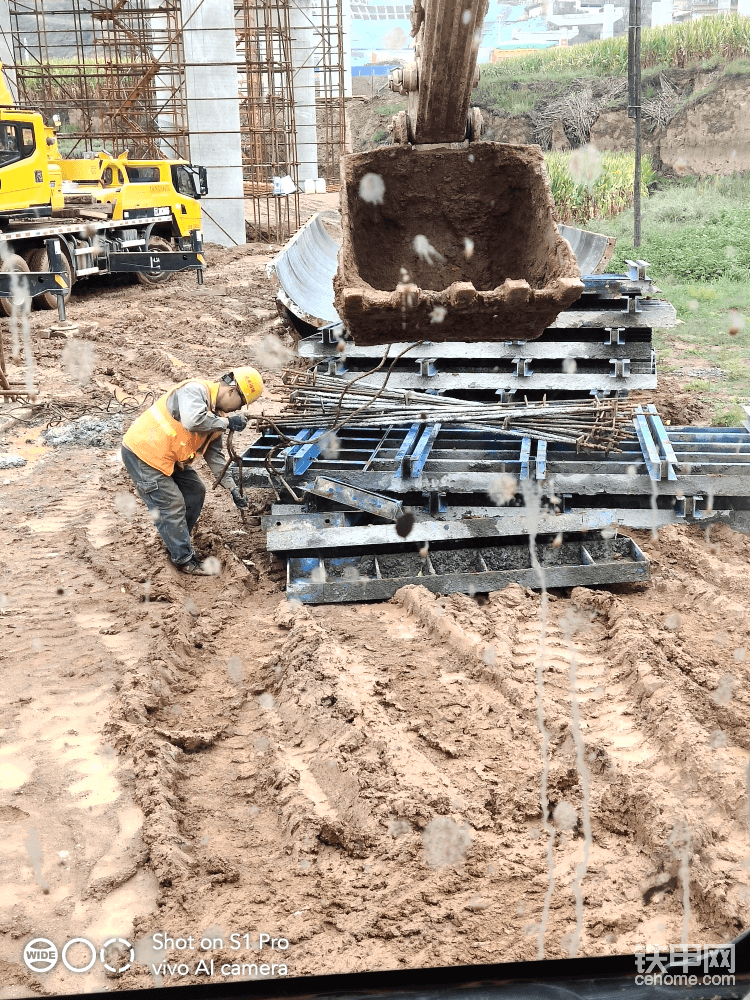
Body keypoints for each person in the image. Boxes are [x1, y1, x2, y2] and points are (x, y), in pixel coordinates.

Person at [120, 368, 264, 575]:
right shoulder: (195, 391)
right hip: (144, 453)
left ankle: (176, 540)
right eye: (240, 404)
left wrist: (233, 488)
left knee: (196, 490)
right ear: (233, 391)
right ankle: (184, 560)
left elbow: (215, 457)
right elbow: (192, 420)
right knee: (172, 503)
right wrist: (228, 423)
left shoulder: (218, 416)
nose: (236, 410)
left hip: (168, 456)